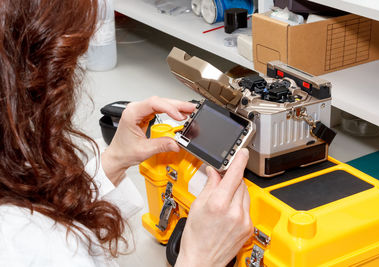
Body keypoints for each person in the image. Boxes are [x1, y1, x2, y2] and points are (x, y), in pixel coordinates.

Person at [0, 0, 253, 266]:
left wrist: (115, 160)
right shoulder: (19, 244)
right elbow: (47, 243)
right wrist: (200, 259)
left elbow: (51, 224)